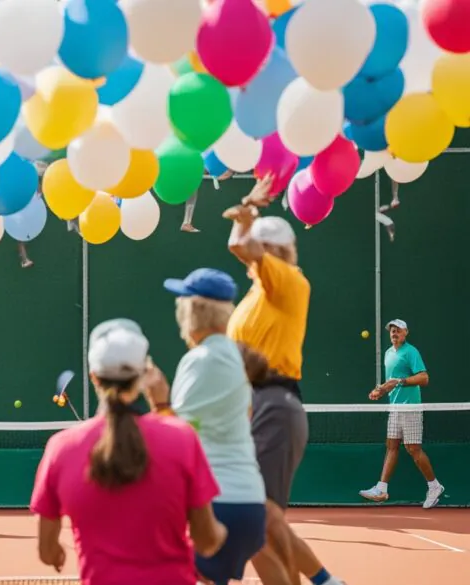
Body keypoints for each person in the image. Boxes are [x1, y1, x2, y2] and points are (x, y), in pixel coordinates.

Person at [30, 319, 227, 585]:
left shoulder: (60, 448)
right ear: (144, 376)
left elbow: (46, 551)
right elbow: (207, 541)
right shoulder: (181, 439)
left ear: (94, 377)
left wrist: (56, 555)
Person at [223, 176, 345, 585]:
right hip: (248, 410)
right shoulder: (253, 298)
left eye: (262, 247)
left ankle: (327, 582)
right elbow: (240, 245)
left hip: (275, 402)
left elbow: (240, 246)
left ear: (275, 252)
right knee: (252, 524)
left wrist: (247, 212)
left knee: (262, 513)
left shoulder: (289, 282)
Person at [160, 268, 274, 585]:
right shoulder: (234, 356)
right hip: (246, 502)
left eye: (181, 302)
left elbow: (177, 435)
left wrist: (156, 399)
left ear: (193, 311)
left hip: (217, 507)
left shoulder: (201, 359)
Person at [237, 341, 310, 585]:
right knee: (266, 525)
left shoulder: (271, 400)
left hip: (271, 428)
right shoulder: (252, 396)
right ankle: (324, 579)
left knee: (265, 523)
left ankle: (325, 579)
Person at [359, 319, 444, 508]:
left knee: (413, 449)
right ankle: (382, 488)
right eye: (392, 331)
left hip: (410, 408)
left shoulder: (411, 352)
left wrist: (400, 382)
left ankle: (434, 486)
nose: (394, 333)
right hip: (395, 408)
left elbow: (424, 377)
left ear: (406, 332)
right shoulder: (389, 353)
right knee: (392, 446)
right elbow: (391, 382)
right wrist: (380, 390)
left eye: (398, 330)